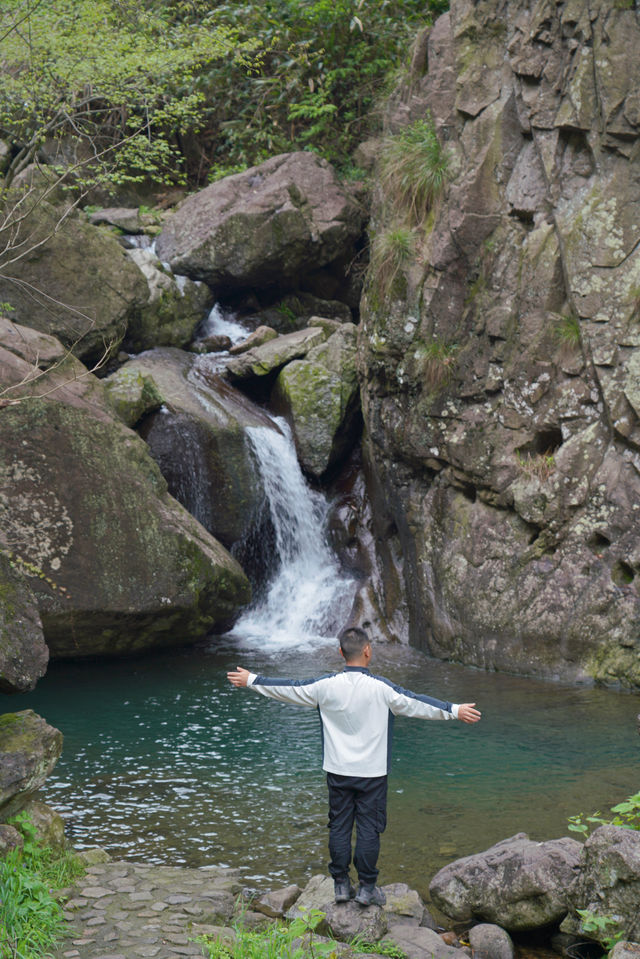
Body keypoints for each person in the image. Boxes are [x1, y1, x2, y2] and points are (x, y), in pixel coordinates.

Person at [227, 626, 481, 907]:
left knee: (338, 826)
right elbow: (415, 703)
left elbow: (290, 688)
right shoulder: (382, 689)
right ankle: (367, 887)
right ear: (368, 651)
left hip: (337, 770)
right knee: (369, 829)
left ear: (340, 653)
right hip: (372, 774)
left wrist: (252, 680)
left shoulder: (325, 686)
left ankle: (340, 885)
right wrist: (454, 709)